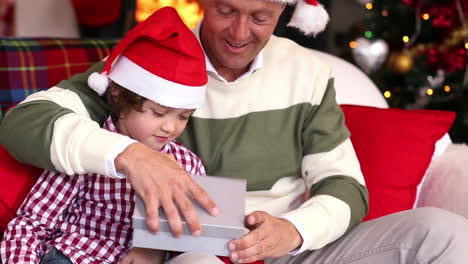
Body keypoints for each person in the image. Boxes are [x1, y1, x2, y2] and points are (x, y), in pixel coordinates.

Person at [1, 0, 468, 263]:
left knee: (444, 232)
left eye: (260, 17)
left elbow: (345, 187)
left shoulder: (307, 73)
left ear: (284, 12)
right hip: (197, 251)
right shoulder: (149, 62)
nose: (239, 32)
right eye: (226, 10)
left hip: (292, 246)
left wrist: (293, 231)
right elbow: (25, 123)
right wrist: (130, 154)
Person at [0, 7, 212, 264]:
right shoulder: (86, 150)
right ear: (118, 96)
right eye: (158, 113)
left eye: (183, 116)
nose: (170, 127)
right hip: (73, 257)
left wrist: (156, 250)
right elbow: (32, 224)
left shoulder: (187, 165)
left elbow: (194, 235)